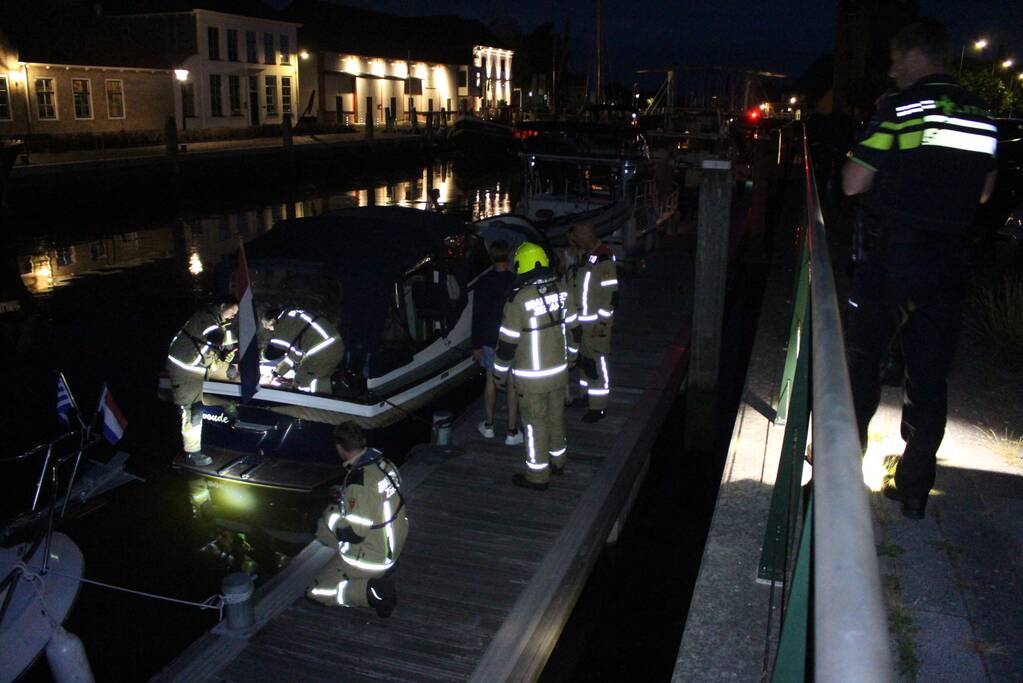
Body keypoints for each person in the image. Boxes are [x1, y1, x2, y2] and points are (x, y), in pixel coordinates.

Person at [842, 18, 998, 519]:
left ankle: (839, 479)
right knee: (929, 376)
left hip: (893, 257)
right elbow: (985, 191)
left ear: (914, 55)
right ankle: (913, 488)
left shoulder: (900, 108)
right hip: (950, 261)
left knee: (862, 364)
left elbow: (852, 183)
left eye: (894, 58)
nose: (891, 69)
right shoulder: (982, 113)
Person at [493, 242, 576, 490]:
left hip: (531, 378)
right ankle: (558, 461)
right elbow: (575, 329)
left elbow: (507, 344)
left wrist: (498, 374)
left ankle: (537, 476)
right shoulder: (562, 289)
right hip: (559, 372)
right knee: (556, 417)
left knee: (534, 423)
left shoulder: (518, 299)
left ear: (521, 266)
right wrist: (572, 357)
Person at [307, 422, 408, 617]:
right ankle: (369, 571)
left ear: (339, 447)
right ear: (363, 441)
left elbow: (353, 533)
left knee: (316, 593)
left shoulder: (358, 482)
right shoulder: (384, 463)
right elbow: (377, 499)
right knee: (323, 528)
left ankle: (372, 592)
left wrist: (331, 513)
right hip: (395, 539)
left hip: (374, 554)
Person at [166, 295, 239, 466]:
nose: (233, 316)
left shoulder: (217, 321)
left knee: (231, 375)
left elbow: (211, 348)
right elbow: (215, 337)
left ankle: (230, 412)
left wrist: (226, 359)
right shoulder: (206, 318)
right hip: (185, 370)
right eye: (233, 311)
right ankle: (192, 453)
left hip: (197, 367)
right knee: (193, 411)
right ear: (222, 306)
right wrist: (227, 345)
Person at [566, 222, 619, 423]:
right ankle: (586, 395)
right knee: (584, 363)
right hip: (581, 322)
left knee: (596, 365)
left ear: (585, 234)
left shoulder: (603, 258)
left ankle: (599, 406)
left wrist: (603, 323)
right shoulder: (586, 255)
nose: (574, 241)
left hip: (595, 324)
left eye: (576, 237)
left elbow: (611, 295)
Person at [471, 240, 522, 445]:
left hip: (489, 338)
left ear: (491, 257)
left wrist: (476, 345)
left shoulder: (483, 282)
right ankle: (511, 430)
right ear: (508, 257)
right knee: (512, 382)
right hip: (512, 338)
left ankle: (489, 425)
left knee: (490, 380)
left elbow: (477, 315)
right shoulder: (516, 281)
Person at [261, 307, 345, 394]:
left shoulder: (284, 325)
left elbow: (270, 354)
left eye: (269, 328)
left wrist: (261, 354)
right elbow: (294, 357)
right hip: (332, 348)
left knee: (302, 379)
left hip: (323, 350)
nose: (272, 331)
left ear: (272, 321)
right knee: (318, 377)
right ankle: (325, 395)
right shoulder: (293, 318)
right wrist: (276, 373)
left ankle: (301, 399)